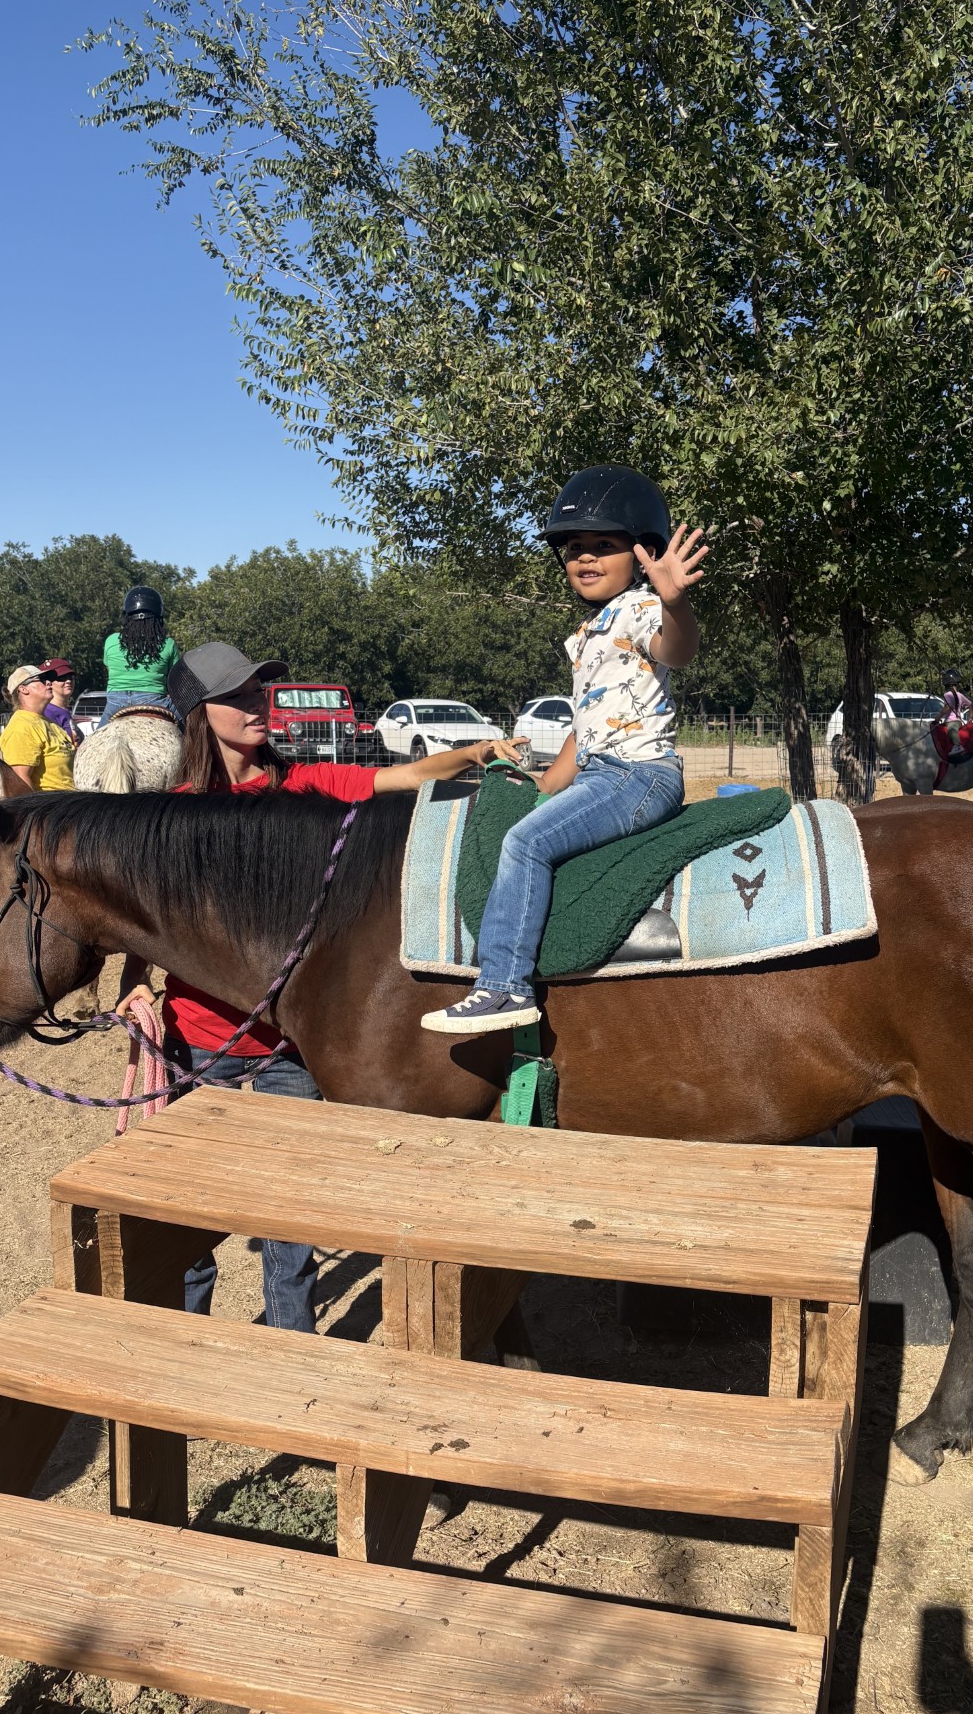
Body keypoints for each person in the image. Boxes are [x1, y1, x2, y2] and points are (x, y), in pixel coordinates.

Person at [118, 641, 519, 1333]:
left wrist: (477, 753)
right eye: (238, 696)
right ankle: (185, 1341)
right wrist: (134, 982)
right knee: (190, 1212)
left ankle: (293, 1348)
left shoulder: (304, 786)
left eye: (258, 691)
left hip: (289, 1042)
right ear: (199, 713)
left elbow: (406, 776)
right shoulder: (177, 814)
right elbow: (148, 920)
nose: (257, 705)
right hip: (198, 1037)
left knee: (293, 1219)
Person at [422, 464, 705, 1034]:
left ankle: (504, 987)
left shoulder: (642, 608)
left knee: (525, 843)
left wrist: (675, 602)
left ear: (644, 554)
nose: (585, 557)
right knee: (524, 817)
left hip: (638, 774)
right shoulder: (586, 634)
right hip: (602, 772)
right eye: (575, 548)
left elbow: (677, 651)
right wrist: (545, 783)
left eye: (604, 545)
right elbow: (587, 726)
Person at [101, 585, 181, 725]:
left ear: (126, 615)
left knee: (94, 739)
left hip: (114, 704)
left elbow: (109, 670)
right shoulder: (168, 644)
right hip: (156, 701)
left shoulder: (111, 641)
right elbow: (175, 680)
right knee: (189, 725)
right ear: (158, 616)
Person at [0, 664, 76, 791]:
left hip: (68, 801)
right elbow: (21, 783)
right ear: (23, 689)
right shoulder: (21, 727)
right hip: (51, 803)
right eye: (42, 680)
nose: (49, 683)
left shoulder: (48, 723)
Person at [39, 659, 82, 746]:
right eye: (62, 678)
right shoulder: (48, 713)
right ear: (48, 683)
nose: (69, 681)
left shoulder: (63, 711)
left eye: (71, 677)